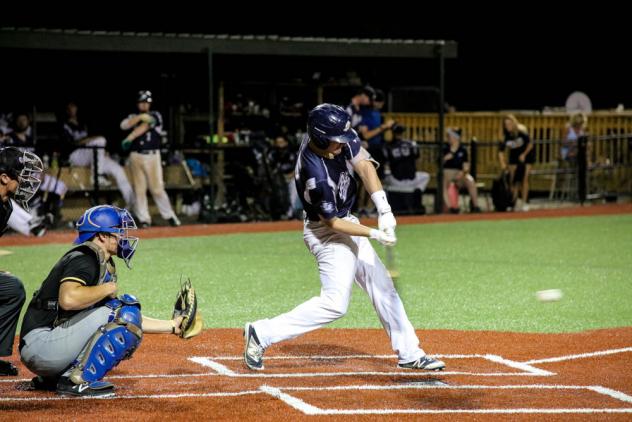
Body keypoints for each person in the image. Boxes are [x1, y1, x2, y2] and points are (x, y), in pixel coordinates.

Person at [243, 104, 444, 372]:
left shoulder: (335, 136)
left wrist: (383, 209)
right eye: (337, 142)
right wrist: (374, 232)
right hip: (326, 233)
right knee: (335, 304)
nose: (342, 145)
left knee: (383, 287)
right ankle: (262, 332)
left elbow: (364, 164)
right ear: (321, 138)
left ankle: (409, 352)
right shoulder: (314, 174)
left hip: (347, 221)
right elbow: (333, 222)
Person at [19, 205, 198, 397]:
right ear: (102, 236)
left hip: (45, 347)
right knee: (123, 312)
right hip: (42, 346)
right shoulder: (85, 259)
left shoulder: (100, 261)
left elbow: (118, 316)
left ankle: (54, 377)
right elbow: (68, 299)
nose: (123, 237)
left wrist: (172, 326)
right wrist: (108, 288)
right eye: (118, 232)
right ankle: (77, 381)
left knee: (121, 312)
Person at [0, 147, 43, 376]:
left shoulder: (5, 206)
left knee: (12, 289)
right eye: (21, 173)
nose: (26, 180)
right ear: (4, 178)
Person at [120, 91, 180, 228]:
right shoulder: (133, 116)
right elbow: (124, 125)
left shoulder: (156, 115)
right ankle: (144, 219)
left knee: (157, 188)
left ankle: (170, 216)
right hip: (136, 156)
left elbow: (147, 124)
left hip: (152, 156)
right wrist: (139, 117)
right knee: (140, 189)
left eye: (146, 102)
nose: (144, 104)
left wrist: (130, 137)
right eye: (142, 102)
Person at [61, 101, 135, 209]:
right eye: (70, 107)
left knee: (118, 169)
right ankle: (96, 176)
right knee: (100, 140)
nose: (73, 109)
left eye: (74, 106)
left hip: (89, 155)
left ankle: (132, 205)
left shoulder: (82, 123)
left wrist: (101, 151)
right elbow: (72, 143)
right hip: (74, 156)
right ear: (66, 110)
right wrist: (92, 141)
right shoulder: (64, 124)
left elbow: (91, 141)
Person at [382, 123, 429, 214]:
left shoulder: (387, 146)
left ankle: (383, 207)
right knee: (426, 176)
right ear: (402, 133)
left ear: (393, 133)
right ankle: (418, 189)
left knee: (381, 180)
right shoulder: (412, 144)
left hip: (396, 181)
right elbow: (417, 159)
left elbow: (386, 163)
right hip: (412, 180)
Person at [498, 114, 535, 211]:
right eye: (506, 124)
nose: (508, 126)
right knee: (513, 181)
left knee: (524, 179)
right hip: (514, 158)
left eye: (510, 123)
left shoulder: (521, 132)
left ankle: (525, 202)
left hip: (525, 157)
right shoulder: (506, 136)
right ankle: (513, 202)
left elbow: (530, 144)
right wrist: (502, 163)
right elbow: (501, 151)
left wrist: (524, 154)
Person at [443, 128, 481, 213]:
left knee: (470, 180)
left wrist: (463, 172)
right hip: (447, 174)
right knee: (443, 182)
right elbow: (439, 162)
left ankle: (476, 206)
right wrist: (448, 156)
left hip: (459, 175)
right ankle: (451, 208)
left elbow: (466, 166)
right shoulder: (445, 148)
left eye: (450, 136)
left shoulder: (463, 150)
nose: (449, 138)